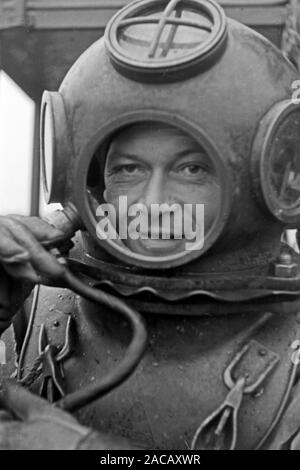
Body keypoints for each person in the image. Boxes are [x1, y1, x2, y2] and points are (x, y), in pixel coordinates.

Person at [1, 0, 300, 450]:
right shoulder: (37, 309)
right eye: (129, 170)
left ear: (260, 183)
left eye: (192, 170)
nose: (155, 204)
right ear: (89, 184)